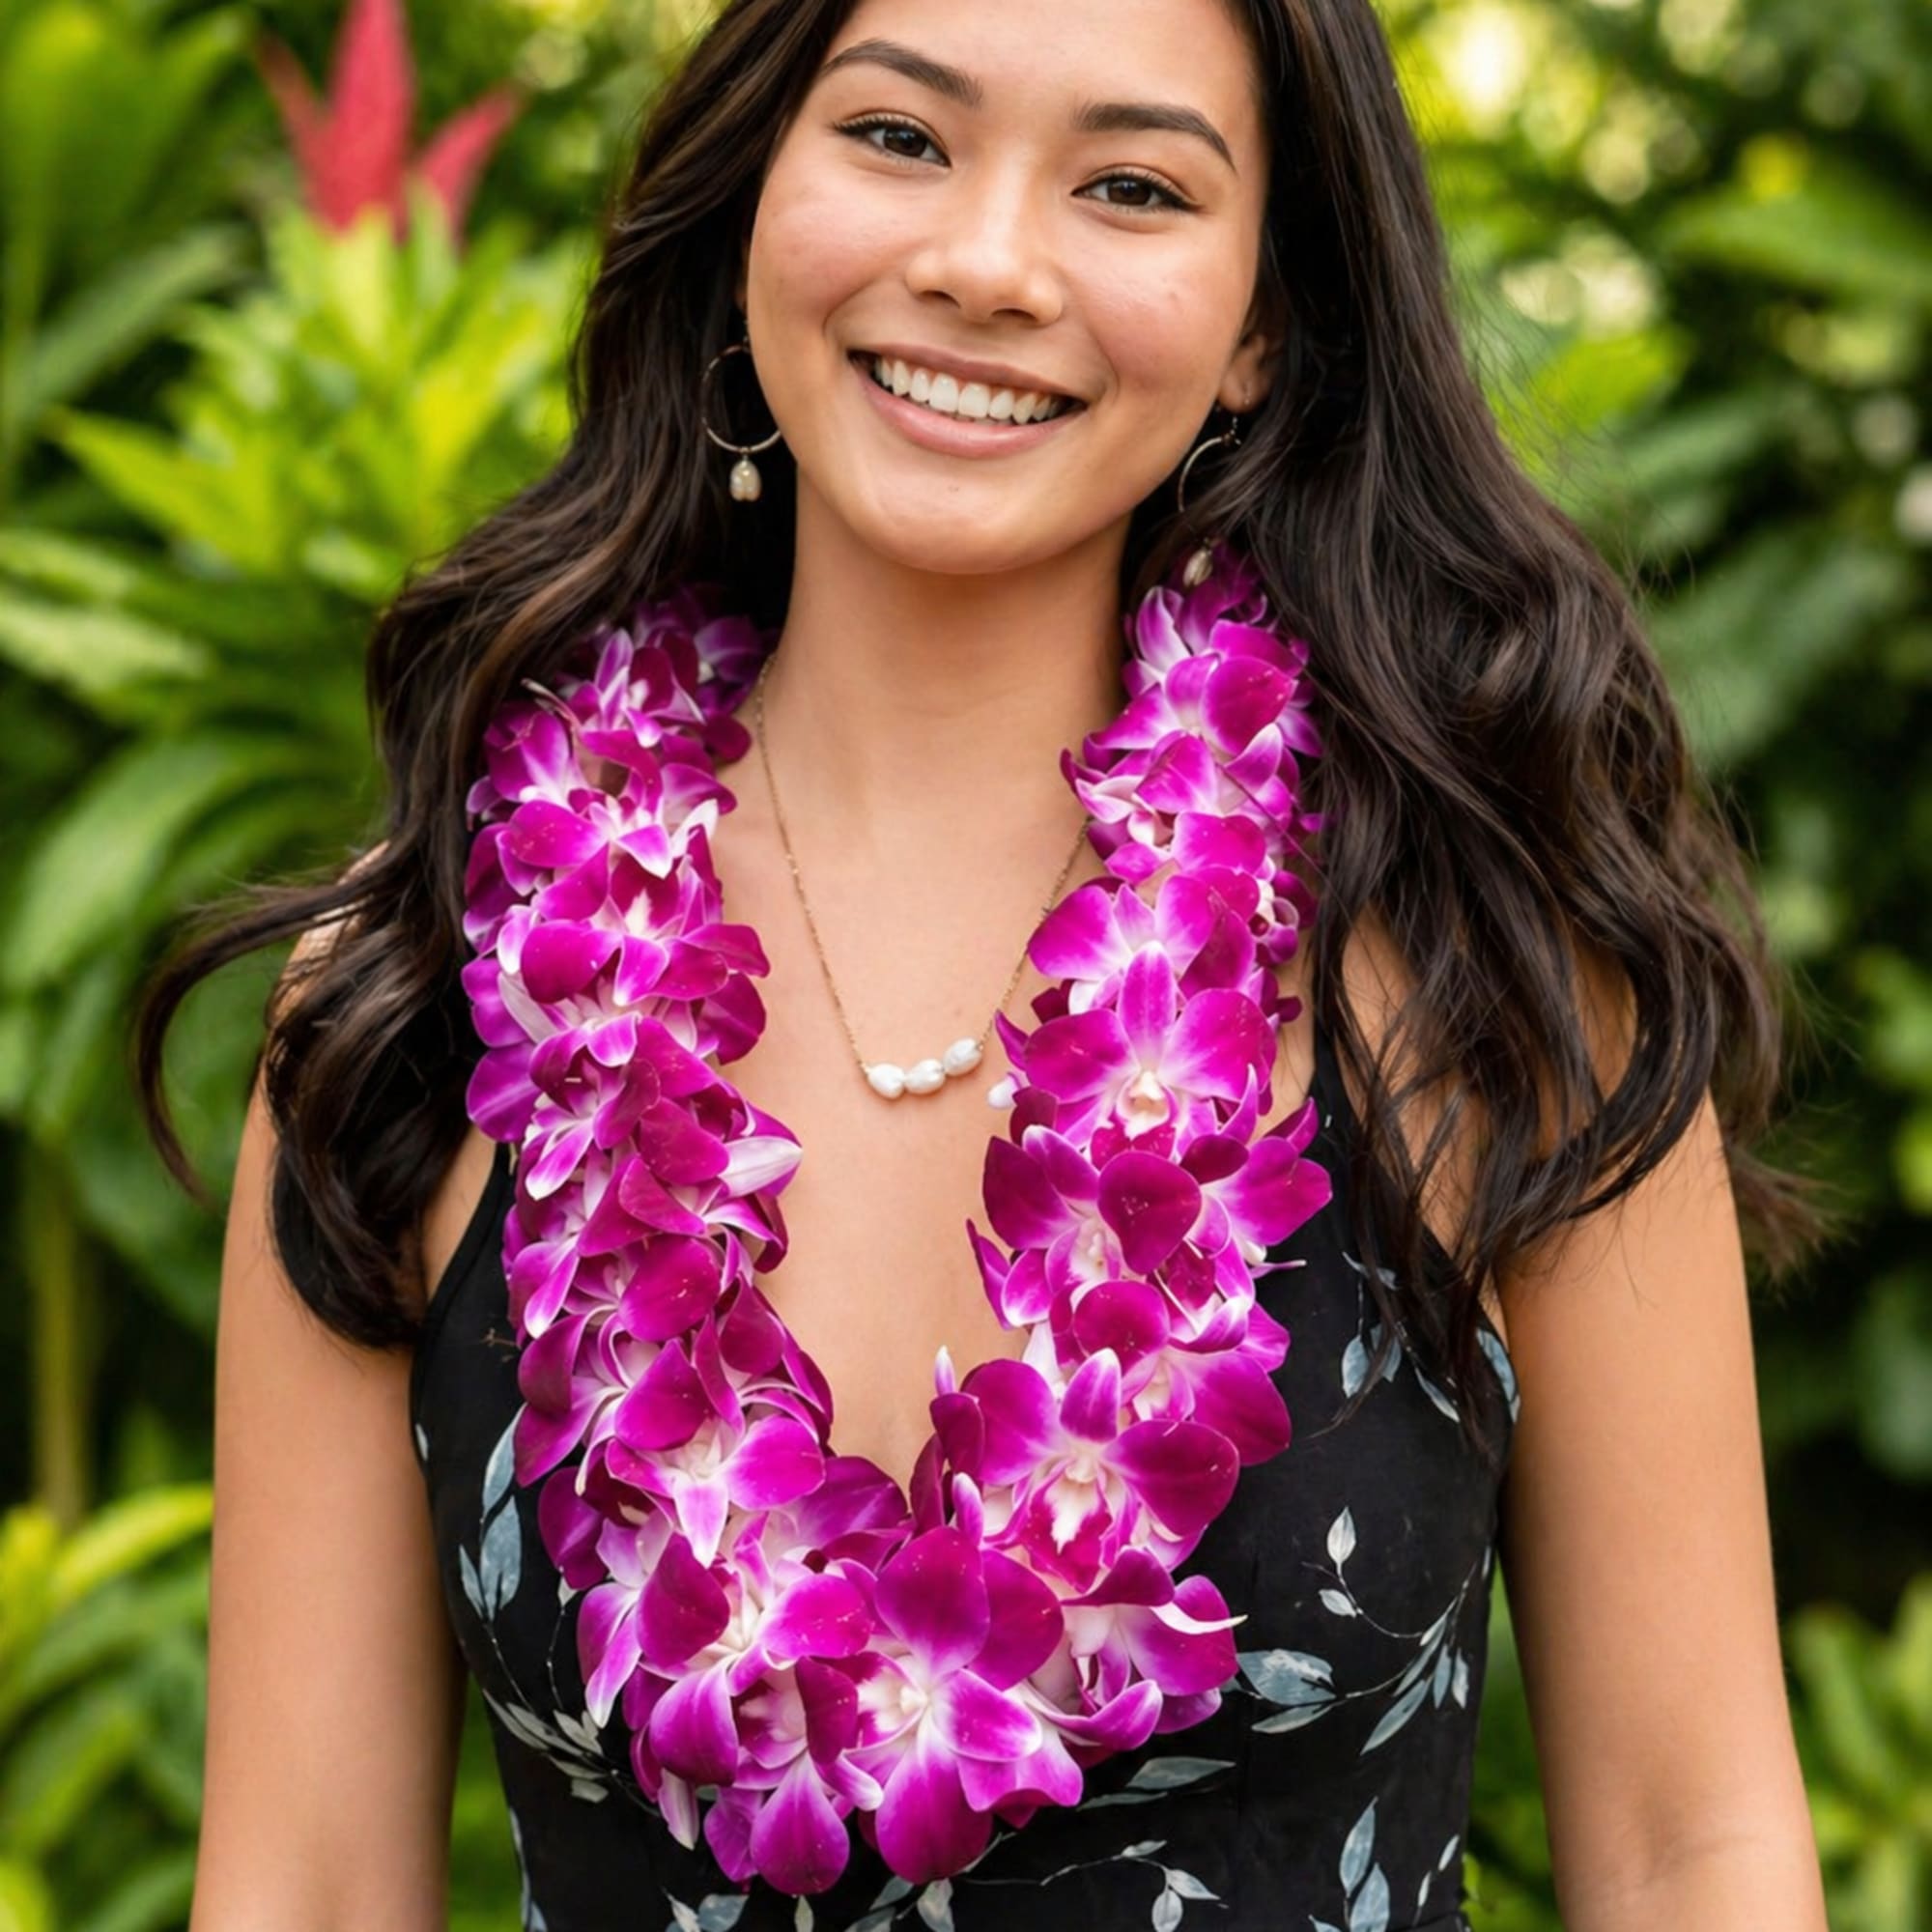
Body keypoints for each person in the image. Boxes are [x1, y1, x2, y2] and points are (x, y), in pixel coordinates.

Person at [140, 0, 1834, 1926]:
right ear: (753, 196)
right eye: (898, 139)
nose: (984, 264)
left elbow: (1691, 1842)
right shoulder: (421, 1003)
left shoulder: (1493, 973)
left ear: (1263, 320)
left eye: (1129, 184)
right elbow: (306, 1883)